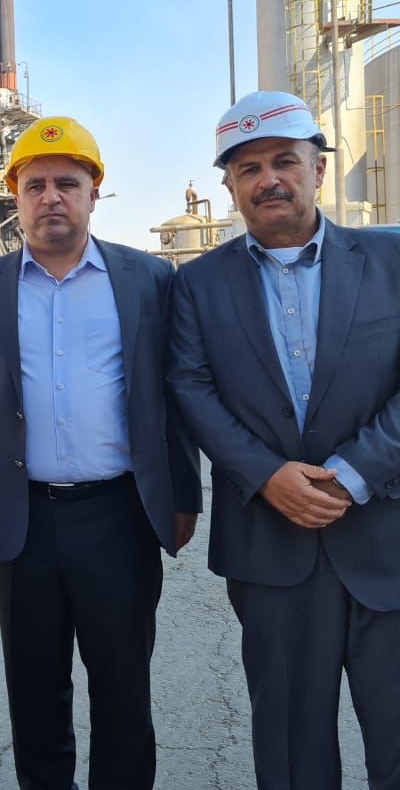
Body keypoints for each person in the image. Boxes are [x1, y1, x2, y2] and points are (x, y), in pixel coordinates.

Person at [0, 116, 201, 790]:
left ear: (94, 193)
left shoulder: (148, 279)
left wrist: (183, 494)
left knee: (123, 690)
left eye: (67, 182)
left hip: (118, 515)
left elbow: (172, 396)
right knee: (35, 694)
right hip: (22, 520)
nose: (51, 196)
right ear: (16, 197)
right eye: (35, 185)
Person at [168, 90, 400, 790]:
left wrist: (355, 471)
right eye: (249, 168)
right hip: (271, 548)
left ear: (318, 169)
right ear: (230, 186)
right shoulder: (197, 284)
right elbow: (190, 388)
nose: (268, 179)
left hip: (386, 538)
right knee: (293, 751)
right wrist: (267, 474)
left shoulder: (391, 259)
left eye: (284, 161)